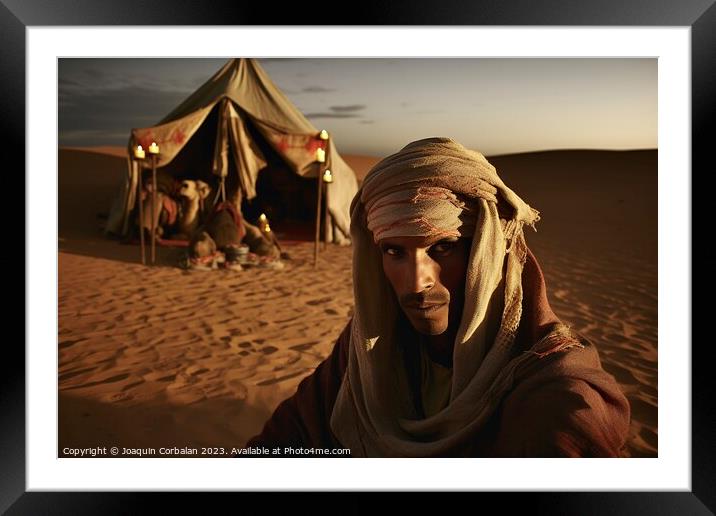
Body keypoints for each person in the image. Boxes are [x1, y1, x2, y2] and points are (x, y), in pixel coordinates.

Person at [245, 137, 630, 457]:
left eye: (443, 248)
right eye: (394, 252)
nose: (416, 282)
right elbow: (287, 438)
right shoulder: (368, 349)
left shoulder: (553, 394)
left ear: (488, 251)